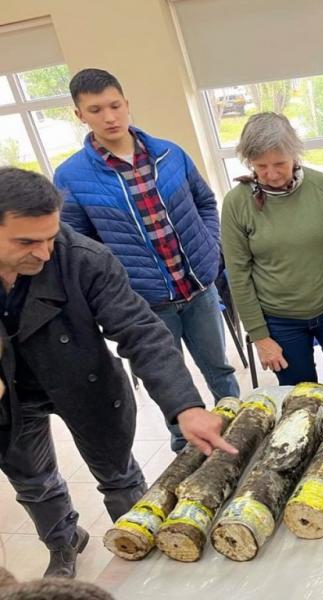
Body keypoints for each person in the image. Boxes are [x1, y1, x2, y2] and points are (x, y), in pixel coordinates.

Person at [0, 168, 236, 579]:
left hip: (82, 380)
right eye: (26, 242)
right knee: (33, 482)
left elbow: (139, 329)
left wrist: (186, 405)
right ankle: (63, 542)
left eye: (51, 237)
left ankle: (142, 545)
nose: (43, 253)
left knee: (118, 475)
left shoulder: (84, 258)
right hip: (14, 394)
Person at [53, 68, 239, 449]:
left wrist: (208, 250)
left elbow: (205, 202)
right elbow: (78, 248)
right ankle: (185, 450)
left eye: (115, 105)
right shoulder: (71, 176)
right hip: (144, 306)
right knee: (167, 380)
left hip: (198, 289)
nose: (109, 117)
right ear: (79, 115)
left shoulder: (171, 154)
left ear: (127, 103)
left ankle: (241, 430)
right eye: (95, 109)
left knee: (219, 369)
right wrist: (118, 288)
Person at [221, 112, 323, 386]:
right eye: (260, 166)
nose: (271, 174)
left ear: (295, 155)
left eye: (280, 163)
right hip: (280, 320)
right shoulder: (236, 203)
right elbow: (239, 275)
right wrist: (260, 336)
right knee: (300, 398)